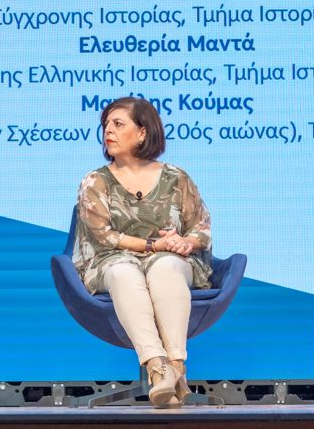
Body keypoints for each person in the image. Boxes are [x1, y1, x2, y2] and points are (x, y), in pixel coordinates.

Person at [73, 97, 212, 408]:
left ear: (142, 132)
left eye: (118, 124)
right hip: (110, 260)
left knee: (165, 268)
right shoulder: (95, 181)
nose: (108, 131)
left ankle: (176, 367)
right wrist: (152, 245)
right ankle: (157, 367)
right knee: (125, 273)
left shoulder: (177, 178)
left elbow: (201, 227)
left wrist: (185, 242)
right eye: (105, 125)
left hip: (171, 258)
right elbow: (104, 236)